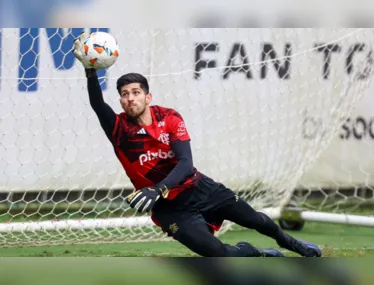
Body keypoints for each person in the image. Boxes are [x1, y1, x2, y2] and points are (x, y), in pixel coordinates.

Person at [73, 33, 321, 257]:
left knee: (256, 220)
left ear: (148, 97)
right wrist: (90, 70)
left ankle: (291, 243)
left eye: (136, 92)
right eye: (125, 94)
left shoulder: (169, 117)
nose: (130, 98)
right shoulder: (119, 130)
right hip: (170, 208)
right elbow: (97, 104)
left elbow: (185, 163)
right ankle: (253, 253)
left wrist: (157, 189)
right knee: (215, 252)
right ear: (121, 101)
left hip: (200, 188)